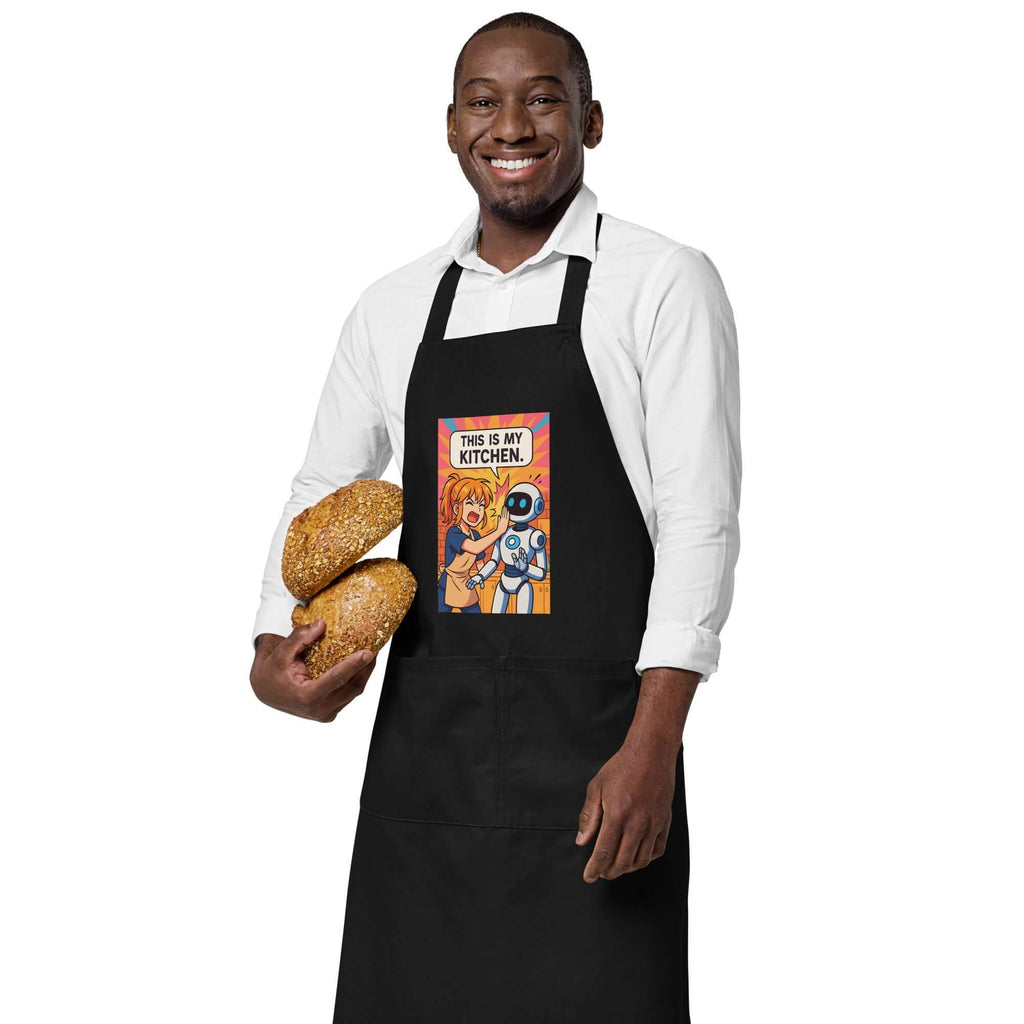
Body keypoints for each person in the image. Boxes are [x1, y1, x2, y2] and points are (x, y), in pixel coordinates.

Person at [249, 12, 741, 1022]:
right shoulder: (392, 306)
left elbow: (700, 521)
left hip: (600, 759)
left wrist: (654, 749)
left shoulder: (660, 281)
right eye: (483, 100)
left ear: (590, 118)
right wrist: (272, 647)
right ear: (450, 126)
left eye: (541, 96)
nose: (509, 124)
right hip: (424, 771)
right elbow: (321, 492)